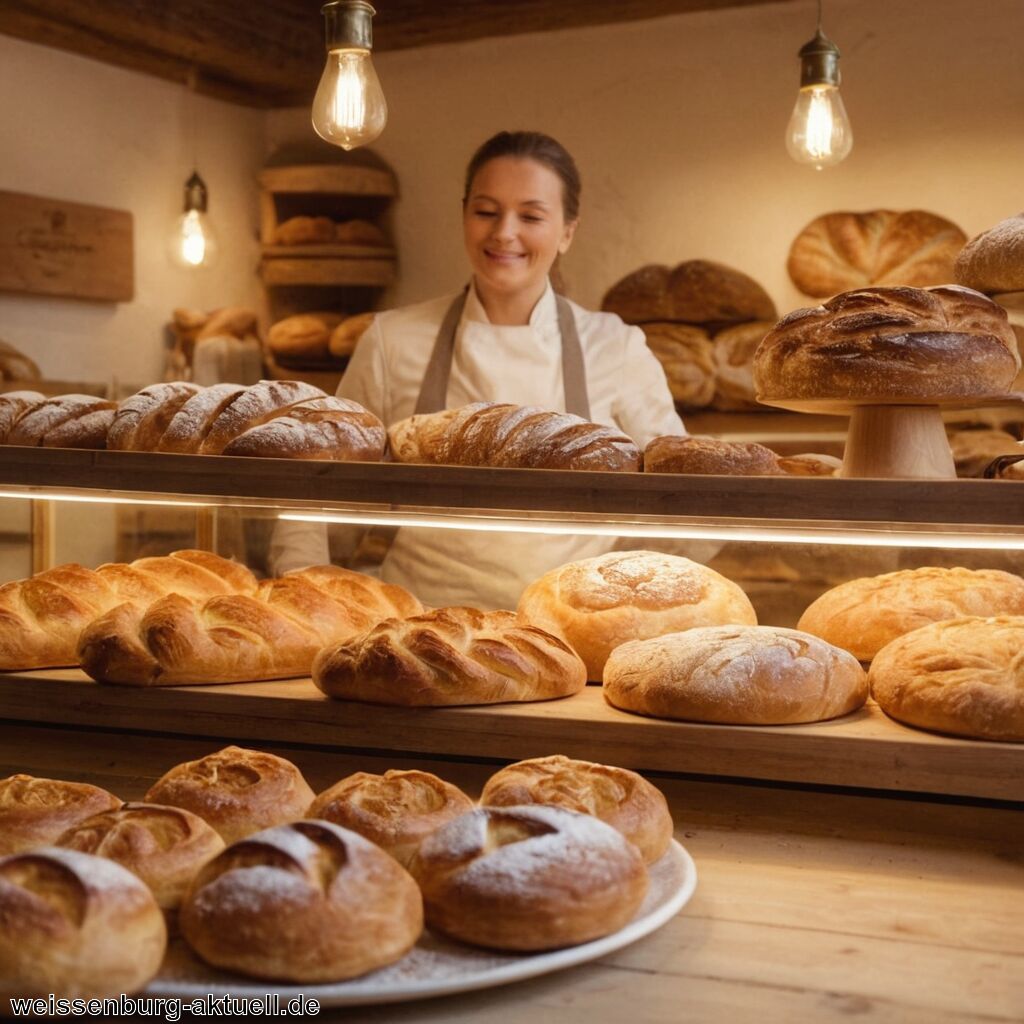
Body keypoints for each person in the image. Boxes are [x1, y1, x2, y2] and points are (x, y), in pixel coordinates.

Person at [270, 130, 685, 608]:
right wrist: (305, 592)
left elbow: (679, 500)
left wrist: (629, 605)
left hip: (569, 627)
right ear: (465, 214)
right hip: (421, 626)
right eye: (486, 211)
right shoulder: (393, 341)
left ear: (567, 231)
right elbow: (320, 487)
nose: (504, 232)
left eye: (530, 216)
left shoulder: (616, 347)